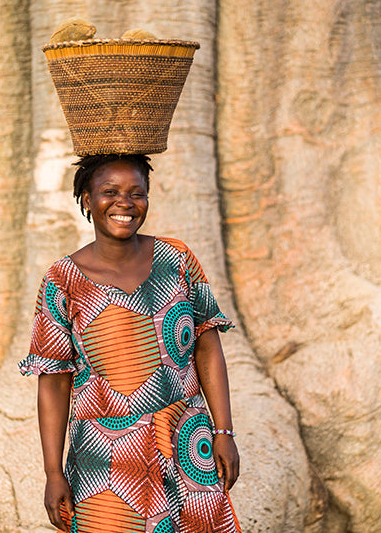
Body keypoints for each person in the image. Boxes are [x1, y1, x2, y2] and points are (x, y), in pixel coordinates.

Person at [19, 152, 241, 532]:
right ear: (87, 200)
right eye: (110, 191)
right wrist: (53, 472)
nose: (125, 203)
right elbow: (54, 381)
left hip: (186, 440)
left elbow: (207, 345)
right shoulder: (62, 281)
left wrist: (224, 432)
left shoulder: (178, 258)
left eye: (137, 193)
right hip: (103, 458)